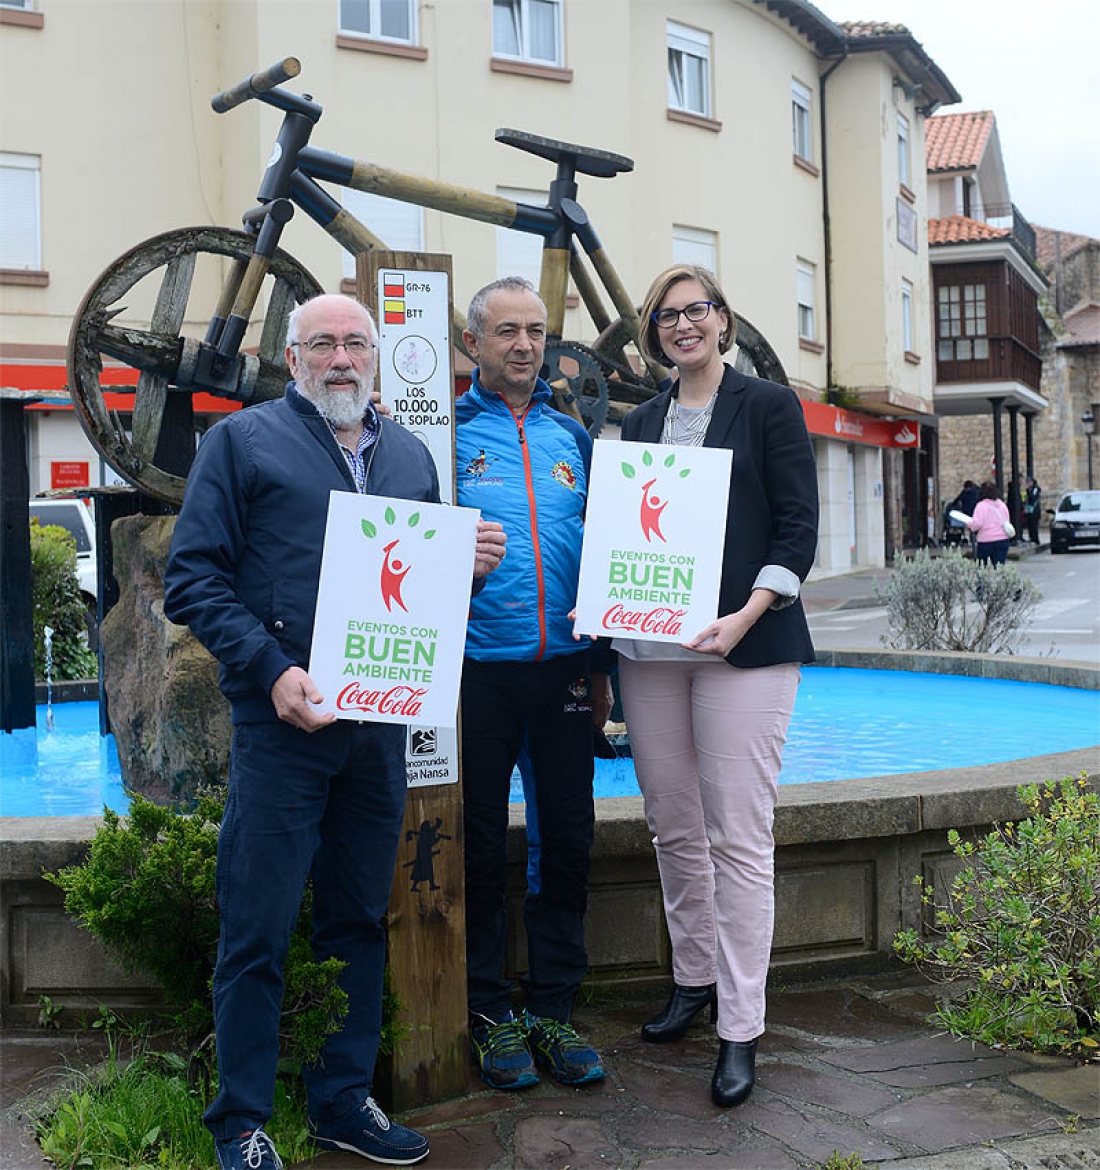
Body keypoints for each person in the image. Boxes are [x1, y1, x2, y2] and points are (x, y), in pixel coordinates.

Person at [163, 294, 506, 1170]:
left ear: (379, 357)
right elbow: (192, 581)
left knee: (357, 918)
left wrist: (462, 564)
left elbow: (422, 595)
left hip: (375, 733)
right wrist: (271, 673)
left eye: (358, 342)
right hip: (283, 726)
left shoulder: (406, 456)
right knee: (258, 930)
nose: (343, 357)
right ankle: (239, 1122)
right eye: (325, 344)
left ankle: (341, 1102)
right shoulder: (241, 443)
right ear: (293, 357)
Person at [614, 265, 818, 1109]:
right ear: (654, 330)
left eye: (697, 311)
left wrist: (745, 613)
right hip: (650, 652)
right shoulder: (637, 421)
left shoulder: (768, 406)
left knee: (739, 837)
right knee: (672, 828)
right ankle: (693, 983)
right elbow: (626, 534)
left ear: (724, 320)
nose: (682, 325)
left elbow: (798, 528)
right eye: (667, 315)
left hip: (745, 645)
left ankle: (741, 1024)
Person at [455, 276, 612, 1091]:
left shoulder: (573, 438)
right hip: (476, 677)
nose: (524, 345)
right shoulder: (439, 438)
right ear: (473, 343)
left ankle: (554, 1007)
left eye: (536, 331)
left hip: (564, 675)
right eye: (507, 331)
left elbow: (610, 559)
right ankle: (489, 1010)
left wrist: (603, 666)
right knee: (479, 846)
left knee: (569, 842)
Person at [962, 479, 1012, 566]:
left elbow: (977, 524)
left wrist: (969, 524)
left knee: (982, 566)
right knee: (1000, 566)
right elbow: (1007, 520)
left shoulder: (981, 506)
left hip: (986, 540)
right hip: (1002, 539)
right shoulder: (1002, 505)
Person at [1024, 475, 1042, 544]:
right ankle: (1031, 538)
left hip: (1035, 510)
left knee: (1034, 525)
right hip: (1029, 510)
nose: (1028, 484)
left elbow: (1033, 497)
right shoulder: (1028, 489)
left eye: (1029, 482)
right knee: (1030, 525)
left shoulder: (1035, 489)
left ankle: (1035, 539)